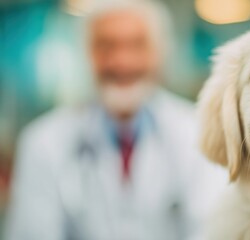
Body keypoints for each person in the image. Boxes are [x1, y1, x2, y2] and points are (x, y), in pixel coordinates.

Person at [5, 1, 226, 239]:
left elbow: (210, 230)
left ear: (159, 52)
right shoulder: (44, 143)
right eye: (106, 46)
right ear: (87, 53)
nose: (122, 62)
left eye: (136, 45)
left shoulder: (198, 132)